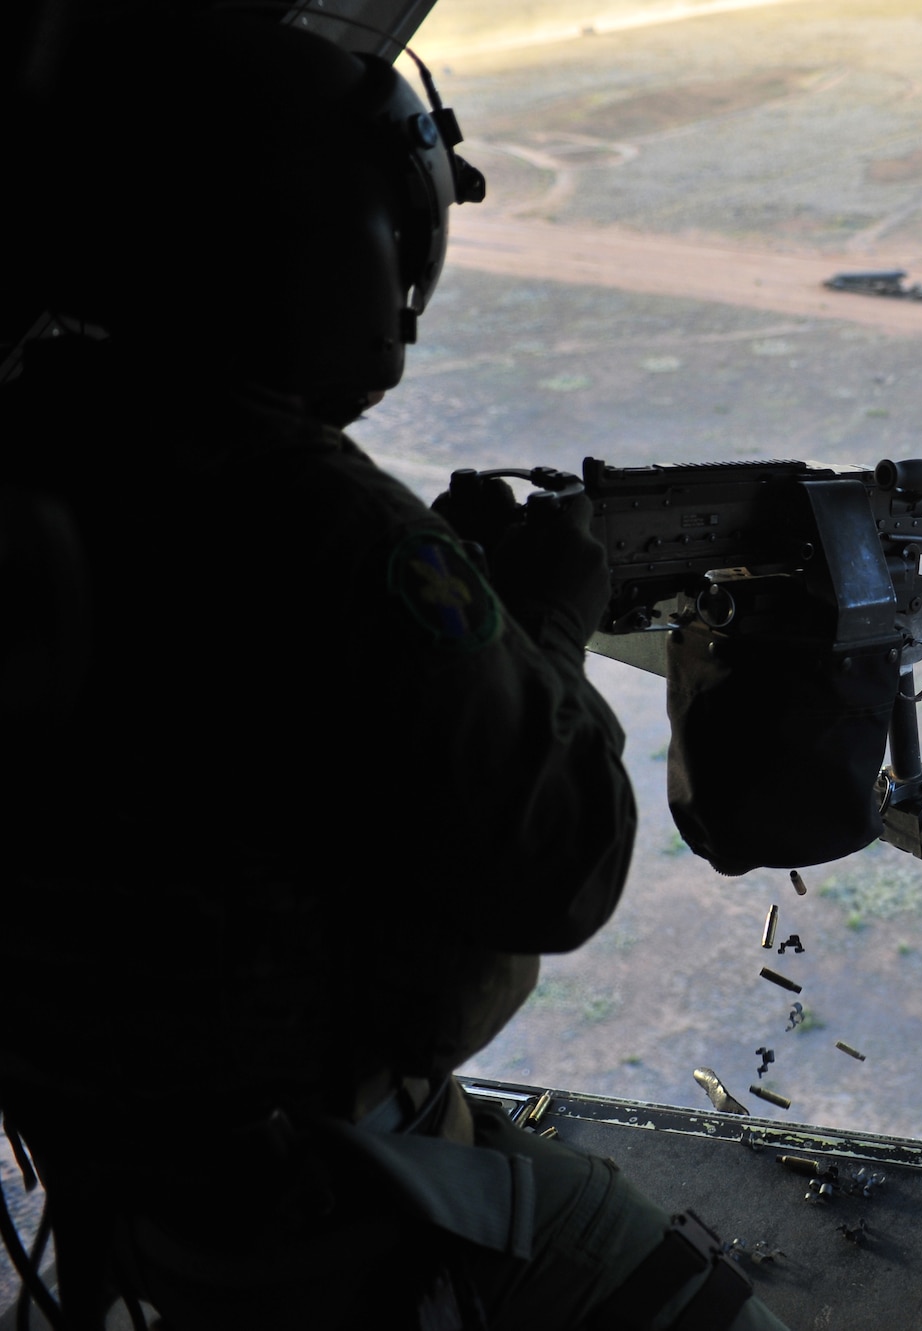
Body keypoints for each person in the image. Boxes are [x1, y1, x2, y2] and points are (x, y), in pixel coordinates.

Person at [0, 10, 786, 1329]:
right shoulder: (304, 514)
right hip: (303, 1199)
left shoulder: (43, 444)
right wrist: (539, 611)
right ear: (331, 255)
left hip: (104, 1168)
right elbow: (561, 858)